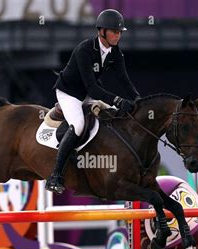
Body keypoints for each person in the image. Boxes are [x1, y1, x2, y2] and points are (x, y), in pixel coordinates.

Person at [45, 9, 140, 194]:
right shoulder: (85, 50)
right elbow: (93, 89)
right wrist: (119, 100)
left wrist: (138, 100)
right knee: (78, 124)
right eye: (114, 31)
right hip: (69, 93)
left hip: (86, 92)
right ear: (102, 31)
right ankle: (55, 176)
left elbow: (124, 81)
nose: (118, 35)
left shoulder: (115, 53)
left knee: (111, 113)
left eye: (120, 32)